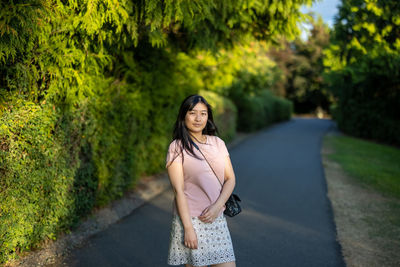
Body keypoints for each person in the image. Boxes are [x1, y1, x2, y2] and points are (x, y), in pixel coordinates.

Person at [165, 94, 236, 267]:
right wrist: (188, 229)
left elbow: (230, 178)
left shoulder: (218, 143)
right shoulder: (177, 147)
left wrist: (218, 206)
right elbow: (178, 191)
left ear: (208, 117)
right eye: (192, 113)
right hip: (192, 221)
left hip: (216, 218)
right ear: (184, 116)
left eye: (203, 113)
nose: (198, 118)